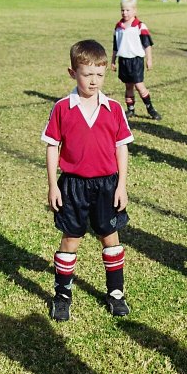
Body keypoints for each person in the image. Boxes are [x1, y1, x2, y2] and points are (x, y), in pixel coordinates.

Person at [42, 39, 134, 322]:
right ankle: (62, 295)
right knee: (71, 239)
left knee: (110, 237)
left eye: (99, 74)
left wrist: (121, 185)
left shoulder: (114, 108)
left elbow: (121, 147)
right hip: (73, 185)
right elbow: (52, 146)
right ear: (73, 73)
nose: (94, 81)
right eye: (87, 74)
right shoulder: (62, 108)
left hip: (107, 184)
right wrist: (53, 185)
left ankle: (115, 293)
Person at [111, 0, 161, 120]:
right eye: (122, 10)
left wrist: (149, 59)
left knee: (139, 85)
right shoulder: (118, 26)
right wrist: (113, 60)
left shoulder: (140, 26)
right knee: (128, 86)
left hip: (136, 60)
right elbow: (116, 45)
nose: (124, 13)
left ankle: (150, 108)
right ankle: (130, 109)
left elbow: (147, 44)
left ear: (135, 10)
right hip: (123, 60)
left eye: (128, 10)